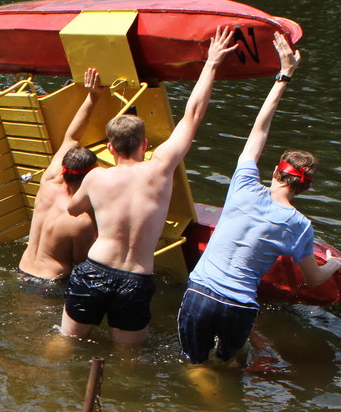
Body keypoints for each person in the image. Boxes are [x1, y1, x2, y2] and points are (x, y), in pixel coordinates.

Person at [177, 32, 341, 365]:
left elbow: (259, 129)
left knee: (193, 365)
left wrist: (284, 76)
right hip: (240, 305)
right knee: (229, 365)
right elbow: (313, 279)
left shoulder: (243, 184)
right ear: (306, 189)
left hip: (200, 292)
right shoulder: (300, 226)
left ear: (274, 171)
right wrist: (336, 263)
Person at [60, 26, 239, 344]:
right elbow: (192, 116)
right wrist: (211, 64)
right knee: (131, 361)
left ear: (111, 148)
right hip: (136, 278)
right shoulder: (160, 169)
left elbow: (73, 210)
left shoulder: (96, 178)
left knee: (66, 344)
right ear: (144, 144)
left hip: (95, 269)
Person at [17, 68, 105, 288]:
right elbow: (84, 264)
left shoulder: (48, 182)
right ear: (89, 177)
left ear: (64, 169)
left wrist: (92, 96)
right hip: (52, 284)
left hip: (22, 270)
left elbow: (72, 137)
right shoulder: (80, 220)